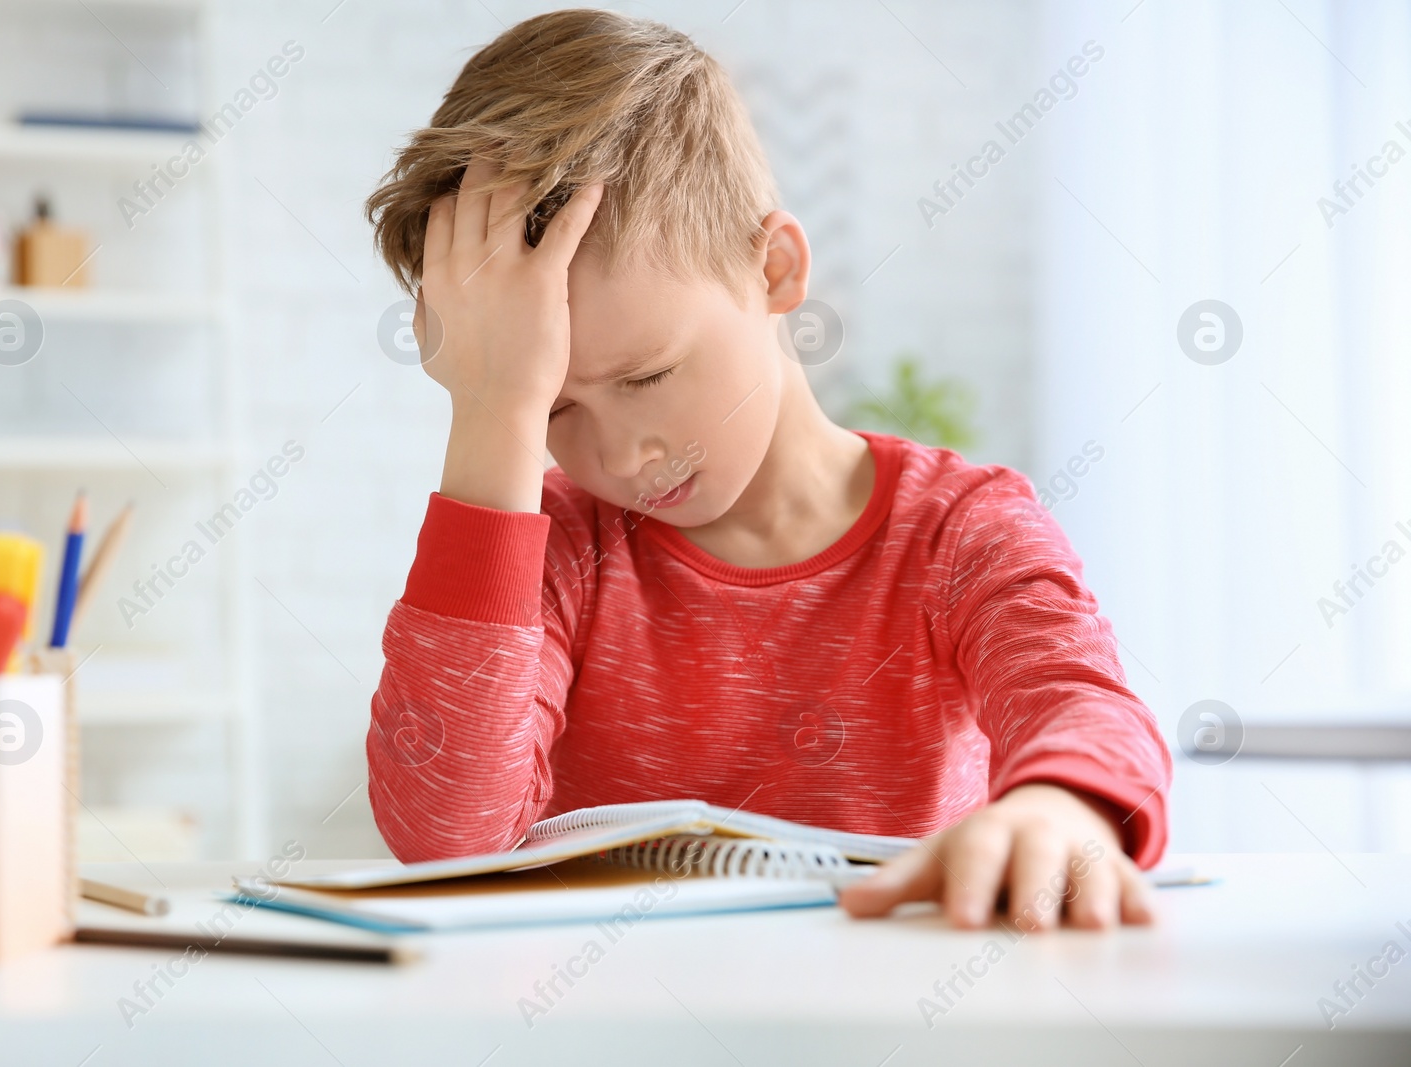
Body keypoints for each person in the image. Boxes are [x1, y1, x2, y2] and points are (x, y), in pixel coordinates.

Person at [362, 8, 1170, 930]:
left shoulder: (961, 532)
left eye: (648, 375)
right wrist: (493, 408)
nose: (624, 456)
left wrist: (1061, 809)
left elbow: (1088, 709)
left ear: (777, 270)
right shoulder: (555, 556)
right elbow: (446, 835)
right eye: (554, 409)